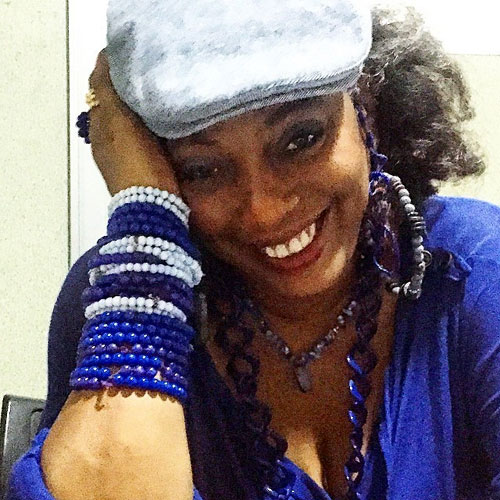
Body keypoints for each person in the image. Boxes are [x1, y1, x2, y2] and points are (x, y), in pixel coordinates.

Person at [6, 2, 500, 500]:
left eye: (301, 139)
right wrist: (142, 266)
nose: (264, 211)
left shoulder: (476, 271)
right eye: (202, 169)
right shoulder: (118, 296)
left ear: (366, 102)